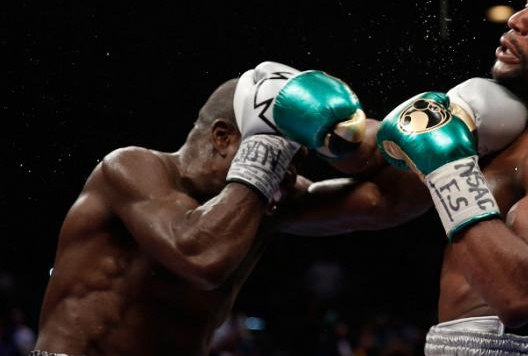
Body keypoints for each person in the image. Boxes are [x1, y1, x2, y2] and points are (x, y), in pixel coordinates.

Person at [277, 0, 528, 354]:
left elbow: (517, 298)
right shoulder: (494, 119)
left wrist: (449, 168)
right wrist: (333, 140)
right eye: (526, 6)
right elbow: (388, 197)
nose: (516, 21)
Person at [32, 61, 365, 356]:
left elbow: (383, 200)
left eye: (294, 160)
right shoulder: (130, 169)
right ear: (222, 137)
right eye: (278, 153)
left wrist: (394, 133)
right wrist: (261, 161)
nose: (286, 171)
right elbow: (199, 256)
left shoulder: (271, 200)